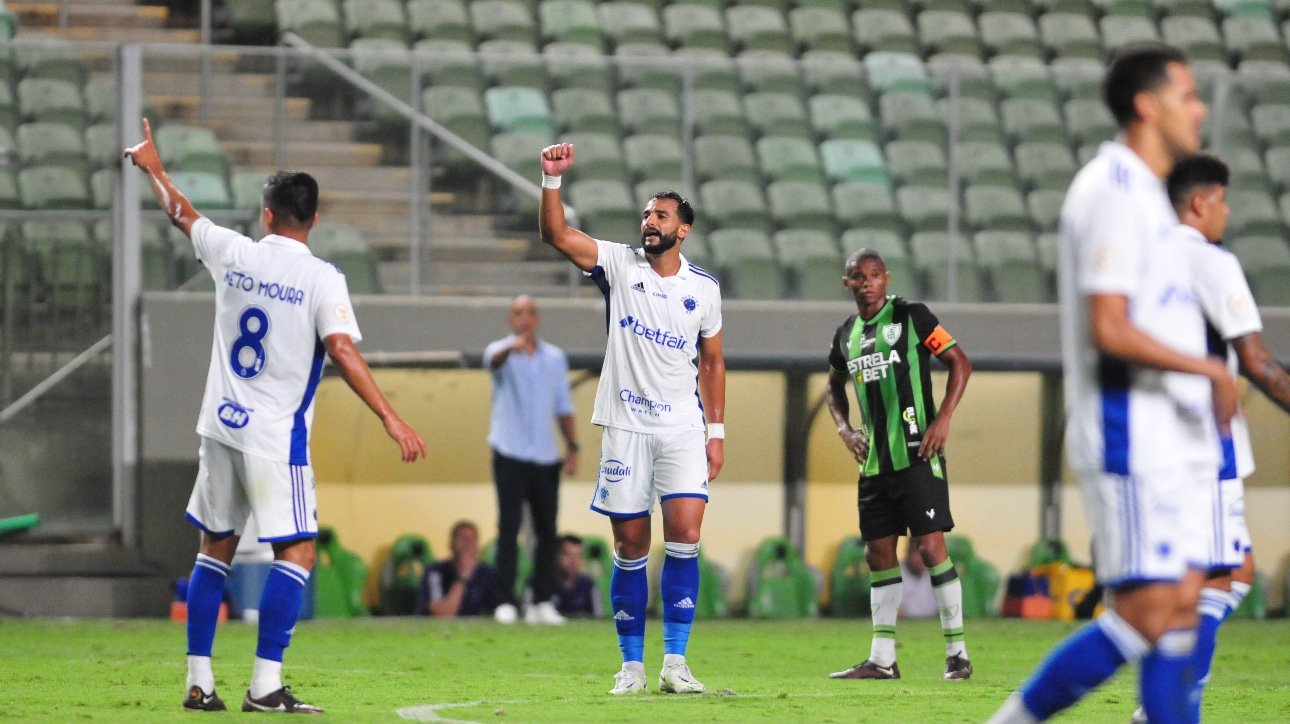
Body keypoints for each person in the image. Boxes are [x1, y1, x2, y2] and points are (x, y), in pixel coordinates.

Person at [125, 119, 427, 714]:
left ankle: (198, 683)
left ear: (266, 215)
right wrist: (391, 418)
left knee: (214, 549)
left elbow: (180, 212)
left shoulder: (233, 252)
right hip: (274, 436)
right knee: (298, 554)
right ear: (313, 219)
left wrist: (153, 166)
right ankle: (264, 686)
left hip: (220, 425)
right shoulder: (321, 278)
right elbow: (341, 350)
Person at [988, 45, 1238, 723]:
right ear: (1146, 106)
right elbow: (1110, 326)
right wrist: (1209, 369)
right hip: (1131, 434)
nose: (1200, 109)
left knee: (1182, 607)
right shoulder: (1111, 190)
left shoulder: (1152, 198)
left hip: (1175, 439)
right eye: (1187, 96)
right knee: (1146, 613)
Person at [537, 142, 725, 696]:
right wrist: (551, 180)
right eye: (646, 214)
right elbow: (555, 235)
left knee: (686, 534)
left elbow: (713, 362)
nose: (649, 221)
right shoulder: (619, 264)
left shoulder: (704, 289)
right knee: (630, 547)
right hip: (625, 426)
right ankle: (632, 668)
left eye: (661, 215)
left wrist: (716, 432)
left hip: (682, 429)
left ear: (683, 229)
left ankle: (676, 663)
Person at [1144, 152, 1290, 721]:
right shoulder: (1211, 261)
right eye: (1224, 201)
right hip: (1205, 439)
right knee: (1215, 579)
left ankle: (1166, 702)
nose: (1227, 213)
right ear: (1201, 202)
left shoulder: (1146, 258)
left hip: (1157, 434)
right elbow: (1257, 360)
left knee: (1236, 571)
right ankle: (1169, 706)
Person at [824, 248, 974, 681]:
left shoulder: (912, 316)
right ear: (847, 283)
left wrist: (943, 419)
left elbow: (959, 362)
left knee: (929, 548)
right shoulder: (845, 334)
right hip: (873, 463)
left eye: (874, 275)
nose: (867, 282)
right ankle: (882, 659)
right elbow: (833, 385)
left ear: (886, 279)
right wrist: (844, 429)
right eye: (858, 276)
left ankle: (957, 655)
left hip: (918, 454)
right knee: (878, 554)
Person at [483, 294, 579, 626]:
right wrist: (513, 347)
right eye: (518, 313)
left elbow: (563, 406)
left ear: (538, 319)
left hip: (545, 455)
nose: (524, 318)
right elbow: (493, 362)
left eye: (530, 313)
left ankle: (542, 600)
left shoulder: (555, 358)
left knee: (547, 532)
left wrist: (573, 447)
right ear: (511, 319)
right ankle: (505, 600)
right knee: (508, 528)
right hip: (509, 451)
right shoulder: (500, 351)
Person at [421, 520, 500, 618]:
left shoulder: (487, 573)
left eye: (473, 539)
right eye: (463, 538)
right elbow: (444, 614)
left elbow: (499, 610)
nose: (468, 543)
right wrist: (463, 575)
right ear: (452, 543)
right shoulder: (435, 572)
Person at [547, 534, 603, 618]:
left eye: (578, 556)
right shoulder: (542, 584)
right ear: (556, 555)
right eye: (567, 554)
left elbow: (598, 617)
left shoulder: (588, 585)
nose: (573, 561)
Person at [899, 539, 937, 620]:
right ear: (908, 553)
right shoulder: (895, 573)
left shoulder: (934, 573)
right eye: (917, 553)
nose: (922, 559)